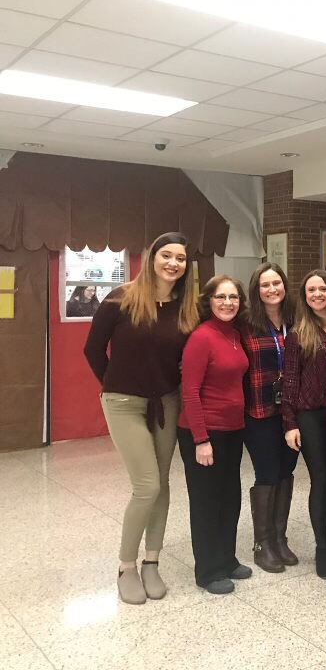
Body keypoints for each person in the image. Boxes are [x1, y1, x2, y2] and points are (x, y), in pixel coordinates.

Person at [84, 232, 199, 604]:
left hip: (165, 403)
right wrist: (115, 384)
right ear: (151, 257)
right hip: (123, 404)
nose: (173, 263)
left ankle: (152, 561)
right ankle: (126, 565)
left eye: (180, 258)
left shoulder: (186, 307)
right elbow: (92, 349)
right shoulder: (121, 299)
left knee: (162, 484)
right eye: (166, 255)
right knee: (146, 485)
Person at [177, 275, 251, 594]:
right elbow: (190, 391)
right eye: (220, 297)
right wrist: (200, 439)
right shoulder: (201, 337)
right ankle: (207, 570)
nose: (227, 303)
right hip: (205, 432)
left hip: (233, 430)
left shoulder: (234, 334)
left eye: (233, 297)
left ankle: (226, 558)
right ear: (208, 301)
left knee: (229, 497)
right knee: (207, 501)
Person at [282, 269, 326, 580]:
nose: (318, 294)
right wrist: (289, 423)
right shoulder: (298, 333)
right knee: (322, 479)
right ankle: (322, 547)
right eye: (311, 290)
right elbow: (291, 381)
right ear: (304, 297)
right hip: (310, 415)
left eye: (322, 288)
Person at [240, 263, 299, 574]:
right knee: (267, 472)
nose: (272, 289)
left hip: (290, 412)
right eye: (265, 285)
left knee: (287, 470)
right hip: (259, 411)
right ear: (256, 290)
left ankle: (279, 537)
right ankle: (262, 543)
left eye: (277, 283)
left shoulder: (295, 321)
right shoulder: (246, 324)